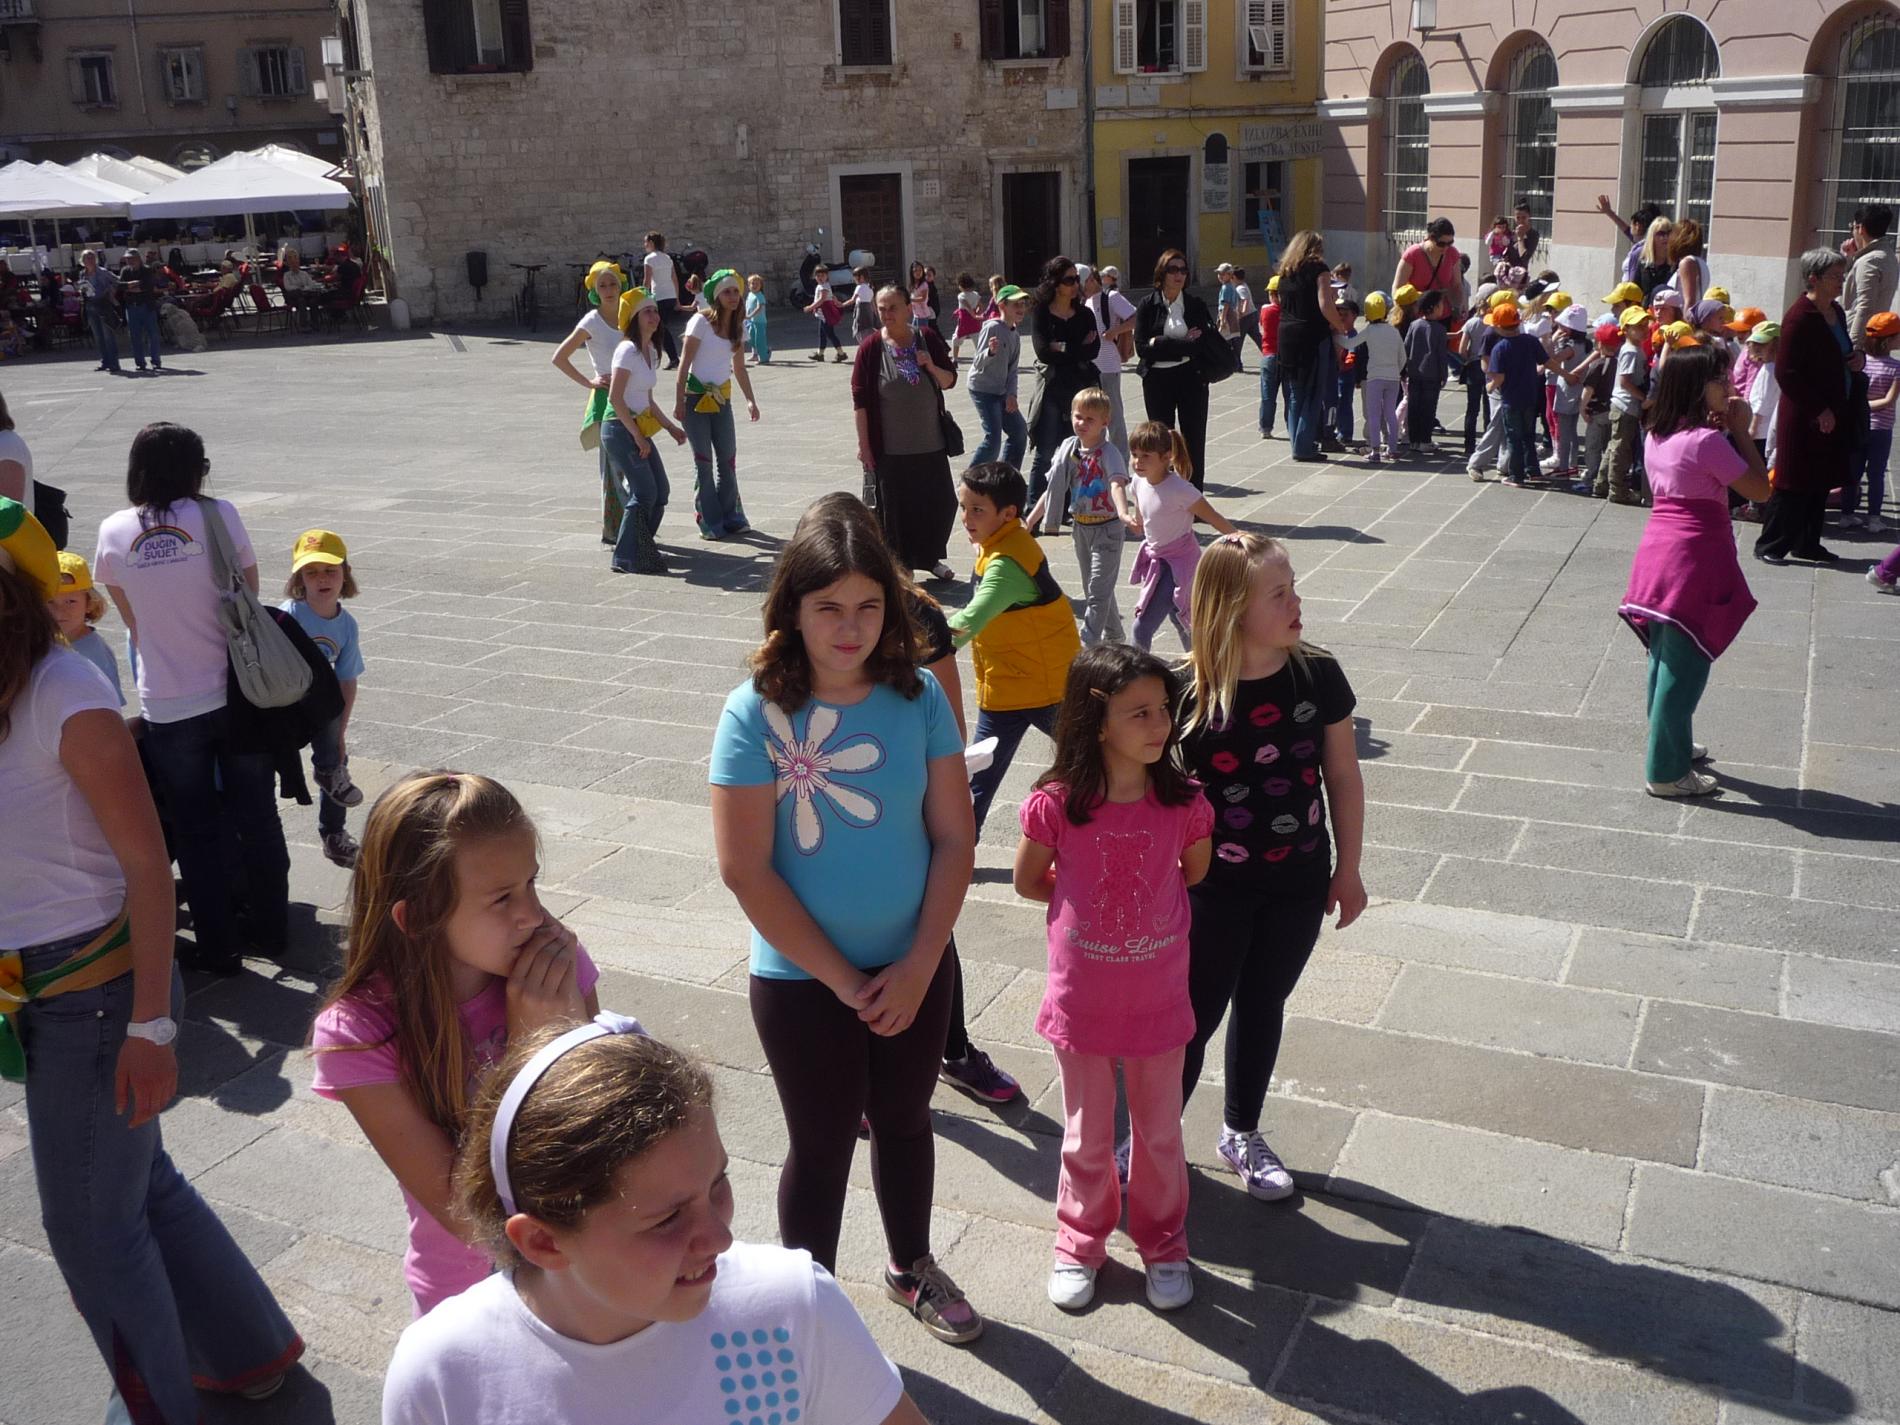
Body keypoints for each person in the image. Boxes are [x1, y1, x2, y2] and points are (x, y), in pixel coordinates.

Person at [1, 498, 307, 1424]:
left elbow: (147, 867)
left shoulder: (64, 695)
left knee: (91, 1228)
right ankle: (248, 1352)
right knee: (139, 1184)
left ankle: (153, 1410)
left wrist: (153, 1026)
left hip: (96, 998)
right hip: (45, 989)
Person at [709, 505, 983, 1346]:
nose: (849, 627)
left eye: (868, 606)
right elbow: (745, 868)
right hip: (802, 979)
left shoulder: (919, 698)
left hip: (914, 963)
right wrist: (843, 979)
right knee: (822, 1143)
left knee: (905, 1118)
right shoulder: (753, 712)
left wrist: (921, 961)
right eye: (828, 607)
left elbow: (954, 836)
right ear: (791, 608)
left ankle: (910, 1264)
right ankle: (809, 1308)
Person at [380, 1019, 932, 1425]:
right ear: (543, 1241)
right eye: (667, 1219)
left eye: (717, 1184)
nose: (721, 1238)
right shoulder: (443, 1373)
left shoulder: (790, 1307)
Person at [312, 772, 602, 1316]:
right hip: (470, 1296)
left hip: (584, 1275)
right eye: (502, 898)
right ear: (418, 917)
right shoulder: (355, 1034)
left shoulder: (553, 966)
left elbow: (602, 1130)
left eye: (531, 883)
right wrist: (529, 1052)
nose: (533, 915)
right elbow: (467, 1216)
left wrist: (571, 1041)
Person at [1164, 532, 1367, 1202]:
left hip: (1298, 880)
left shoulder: (1318, 674)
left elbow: (1343, 776)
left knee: (1262, 1003)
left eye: (1293, 587)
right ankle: (1152, 1134)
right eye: (1278, 594)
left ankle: (1240, 1131)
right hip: (1211, 887)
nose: (1296, 602)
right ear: (1231, 609)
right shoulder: (1183, 691)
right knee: (1192, 1014)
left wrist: (1349, 868)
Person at [1012, 644, 1212, 1314]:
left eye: (1163, 710)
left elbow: (1193, 872)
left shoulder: (1184, 803)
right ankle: (1079, 1241)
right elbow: (1029, 880)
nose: (1160, 725)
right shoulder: (1058, 804)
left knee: (1160, 1133)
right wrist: (1084, 908)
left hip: (1159, 998)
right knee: (1086, 1134)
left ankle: (1164, 1243)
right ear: (1096, 722)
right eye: (1139, 713)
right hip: (1082, 1001)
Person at [93, 424, 289, 975]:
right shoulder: (219, 515)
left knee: (195, 830)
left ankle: (220, 948)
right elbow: (249, 593)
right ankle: (273, 930)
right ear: (195, 469)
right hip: (239, 694)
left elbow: (133, 622)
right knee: (257, 815)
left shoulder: (113, 531)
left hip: (169, 703)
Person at [1619, 347, 1774, 796]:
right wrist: (1742, 431)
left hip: (1658, 552)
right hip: (1695, 557)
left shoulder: (1657, 432)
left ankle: (1673, 743)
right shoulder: (1707, 441)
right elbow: (1760, 491)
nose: (1729, 386)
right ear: (1696, 386)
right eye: (1719, 380)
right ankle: (1666, 771)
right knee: (1685, 667)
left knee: (1664, 657)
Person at [950, 461, 1082, 838]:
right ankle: (959, 850)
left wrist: (916, 649)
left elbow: (970, 620)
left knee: (1098, 759)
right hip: (1008, 684)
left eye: (977, 509)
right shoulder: (999, 542)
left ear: (1008, 513)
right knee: (978, 777)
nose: (966, 518)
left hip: (1046, 687)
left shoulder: (1007, 564)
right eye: (963, 506)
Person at [853, 285, 959, 584]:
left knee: (939, 503)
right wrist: (865, 446)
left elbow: (949, 380)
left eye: (893, 307)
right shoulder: (870, 348)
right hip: (891, 447)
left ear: (909, 309)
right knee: (895, 511)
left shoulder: (927, 338)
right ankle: (902, 565)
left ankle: (930, 557)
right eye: (881, 308)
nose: (887, 314)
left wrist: (931, 366)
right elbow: (860, 403)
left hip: (930, 442)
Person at [1756, 250, 1856, 565]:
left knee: (1820, 479)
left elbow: (1841, 350)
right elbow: (1786, 372)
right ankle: (1771, 544)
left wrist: (1856, 359)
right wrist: (1818, 409)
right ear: (1814, 278)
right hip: (1804, 413)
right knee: (1794, 480)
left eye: (1841, 275)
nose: (1841, 281)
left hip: (1833, 407)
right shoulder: (1799, 317)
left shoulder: (1836, 312)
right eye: (1835, 276)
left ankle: (1807, 543)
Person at [281, 529, 365, 868]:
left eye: (330, 570)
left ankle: (333, 833)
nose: (322, 579)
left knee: (337, 759)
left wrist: (341, 734)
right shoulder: (289, 615)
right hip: (283, 703)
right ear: (299, 580)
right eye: (311, 572)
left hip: (319, 705)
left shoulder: (347, 625)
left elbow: (347, 680)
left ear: (345, 573)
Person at [1025, 388, 1131, 645]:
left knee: (1097, 591)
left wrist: (1123, 512)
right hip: (1081, 529)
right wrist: (1030, 522)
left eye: (1089, 419)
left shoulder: (1109, 453)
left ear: (1105, 422)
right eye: (1078, 416)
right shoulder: (1068, 449)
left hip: (1107, 530)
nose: (1082, 423)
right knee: (1096, 587)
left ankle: (1088, 644)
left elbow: (1117, 484)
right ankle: (1116, 636)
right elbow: (1052, 491)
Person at [1125, 422, 1238, 652]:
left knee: (1142, 627)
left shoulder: (1180, 489)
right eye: (1134, 454)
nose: (1138, 462)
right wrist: (1134, 521)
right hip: (1158, 559)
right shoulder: (1138, 481)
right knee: (1181, 619)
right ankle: (1200, 663)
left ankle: (1135, 670)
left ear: (1166, 457)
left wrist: (1240, 538)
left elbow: (1213, 517)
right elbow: (1141, 515)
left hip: (1178, 565)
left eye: (1146, 456)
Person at [605, 287, 686, 576]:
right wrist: (638, 436)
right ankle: (626, 556)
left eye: (655, 311)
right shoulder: (627, 350)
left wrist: (671, 427)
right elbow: (615, 398)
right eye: (646, 312)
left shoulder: (650, 351)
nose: (654, 316)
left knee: (660, 491)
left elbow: (647, 400)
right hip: (619, 427)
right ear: (634, 318)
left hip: (637, 426)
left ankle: (641, 544)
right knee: (645, 492)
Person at [675, 270, 760, 542]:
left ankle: (731, 515)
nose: (733, 297)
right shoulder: (700, 322)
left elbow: (739, 368)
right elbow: (684, 363)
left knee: (728, 458)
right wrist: (679, 400)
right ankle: (709, 520)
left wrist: (750, 400)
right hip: (695, 398)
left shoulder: (738, 327)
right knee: (703, 461)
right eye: (727, 292)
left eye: (736, 291)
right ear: (716, 295)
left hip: (722, 399)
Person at [552, 261, 632, 544]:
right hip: (607, 399)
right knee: (612, 467)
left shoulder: (629, 314)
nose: (608, 290)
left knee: (634, 465)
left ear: (621, 285)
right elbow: (560, 357)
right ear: (595, 291)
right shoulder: (591, 321)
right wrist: (589, 382)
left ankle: (633, 524)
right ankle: (615, 530)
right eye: (602, 286)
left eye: (612, 284)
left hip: (633, 397)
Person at [1024, 256, 1103, 508]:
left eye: (1077, 279)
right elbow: (1043, 353)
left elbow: (1094, 350)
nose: (1075, 285)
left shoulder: (1084, 313)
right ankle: (1033, 507)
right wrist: (1078, 347)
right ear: (1055, 284)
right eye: (1069, 280)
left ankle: (1068, 506)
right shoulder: (1042, 313)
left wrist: (1062, 347)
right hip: (1053, 389)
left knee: (1075, 451)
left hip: (1080, 391)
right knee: (1046, 451)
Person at [1135, 250, 1218, 483]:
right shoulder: (1147, 305)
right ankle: (1163, 490)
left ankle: (1193, 493)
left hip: (1190, 377)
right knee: (1161, 439)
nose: (1179, 275)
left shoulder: (1194, 305)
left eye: (1183, 270)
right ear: (1162, 273)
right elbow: (1142, 348)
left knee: (1194, 438)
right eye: (1173, 269)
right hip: (1157, 379)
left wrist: (1161, 342)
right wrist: (1181, 343)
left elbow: (1198, 346)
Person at [1276, 232, 1351, 463]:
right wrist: (1339, 326)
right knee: (1312, 393)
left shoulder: (1285, 272)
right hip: (1311, 335)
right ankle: (1304, 446)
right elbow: (1325, 304)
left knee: (1295, 394)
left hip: (1286, 334)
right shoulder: (1319, 269)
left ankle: (1296, 443)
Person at [1843, 311, 1899, 533]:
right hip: (1881, 429)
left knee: (1852, 472)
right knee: (1876, 474)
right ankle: (1874, 518)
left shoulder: (1860, 364)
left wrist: (1861, 406)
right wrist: (1870, 406)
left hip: (1857, 425)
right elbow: (1889, 401)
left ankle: (1847, 514)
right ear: (1889, 340)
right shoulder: (1896, 368)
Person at [1484, 303, 1549, 488]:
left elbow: (1500, 377)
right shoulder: (1530, 341)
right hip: (1530, 396)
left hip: (1511, 400)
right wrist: (1566, 374)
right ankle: (1533, 471)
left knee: (1514, 437)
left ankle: (1516, 475)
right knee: (1529, 435)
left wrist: (1490, 386)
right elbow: (1547, 361)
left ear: (1498, 326)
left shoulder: (1500, 348)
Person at [967, 284, 1030, 470]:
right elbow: (977, 363)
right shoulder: (992, 327)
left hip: (1001, 390)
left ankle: (1006, 475)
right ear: (1002, 306)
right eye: (1016, 304)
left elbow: (1013, 370)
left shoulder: (1015, 335)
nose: (1021, 308)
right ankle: (971, 479)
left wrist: (1012, 394)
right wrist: (990, 352)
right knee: (993, 439)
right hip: (983, 389)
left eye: (1023, 304)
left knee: (1019, 432)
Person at [47, 551, 123, 705]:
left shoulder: (94, 654)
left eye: (71, 601)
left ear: (89, 603)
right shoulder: (43, 643)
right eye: (50, 602)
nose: (59, 612)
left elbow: (109, 706)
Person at [1082, 264, 1138, 455]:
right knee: (1093, 415)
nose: (1081, 289)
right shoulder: (1086, 301)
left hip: (1108, 367)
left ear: (1092, 279)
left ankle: (1121, 459)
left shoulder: (1111, 297)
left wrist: (1116, 331)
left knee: (1113, 415)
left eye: (1083, 284)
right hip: (1091, 367)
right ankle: (1099, 458)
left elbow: (1136, 317)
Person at [1605, 306, 1654, 505]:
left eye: (1645, 325)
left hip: (1628, 406)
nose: (1644, 329)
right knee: (1621, 449)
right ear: (1625, 329)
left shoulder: (1636, 349)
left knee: (1615, 446)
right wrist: (1643, 398)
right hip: (1625, 406)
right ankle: (1616, 490)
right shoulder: (1631, 352)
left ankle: (1602, 484)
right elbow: (1625, 381)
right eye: (1638, 326)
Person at [1547, 304, 1595, 483]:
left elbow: (1551, 359)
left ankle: (1564, 466)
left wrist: (1552, 340)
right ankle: (1572, 464)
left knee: (1564, 430)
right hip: (1577, 389)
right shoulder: (1585, 344)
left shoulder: (1571, 347)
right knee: (1572, 430)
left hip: (1568, 390)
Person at [1577, 317, 1623, 497]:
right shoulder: (1619, 363)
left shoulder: (1597, 365)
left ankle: (1591, 477)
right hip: (1614, 409)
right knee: (1609, 445)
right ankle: (1606, 476)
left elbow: (1588, 390)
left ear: (1600, 344)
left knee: (1593, 446)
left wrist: (1582, 408)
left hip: (1596, 412)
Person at [1391, 217, 1466, 325]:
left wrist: (1460, 305)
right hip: (1416, 317)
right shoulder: (1413, 254)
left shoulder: (1452, 253)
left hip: (1443, 315)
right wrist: (1402, 315)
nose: (1446, 247)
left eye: (1450, 243)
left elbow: (1457, 285)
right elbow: (1397, 287)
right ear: (1431, 238)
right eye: (1441, 244)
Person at [1357, 292, 1403, 463]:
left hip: (1374, 378)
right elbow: (1402, 357)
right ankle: (1393, 449)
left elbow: (1350, 343)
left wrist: (1338, 335)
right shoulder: (1394, 331)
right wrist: (1396, 370)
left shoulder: (1369, 331)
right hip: (1393, 378)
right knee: (1391, 413)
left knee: (1374, 415)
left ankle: (1375, 451)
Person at [1403, 290, 1449, 456]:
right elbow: (1441, 355)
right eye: (1441, 305)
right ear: (1434, 307)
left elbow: (1406, 347)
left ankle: (1414, 440)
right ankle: (1425, 440)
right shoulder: (1439, 329)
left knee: (1414, 407)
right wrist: (1444, 374)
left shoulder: (1414, 325)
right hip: (1432, 375)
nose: (1443, 308)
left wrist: (1404, 369)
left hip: (1414, 373)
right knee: (1428, 408)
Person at [1844, 204, 1898, 346]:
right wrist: (1850, 260)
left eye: (1852, 227)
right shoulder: (1888, 255)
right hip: (1875, 335)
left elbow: (1865, 307)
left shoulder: (1869, 261)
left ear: (1860, 228)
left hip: (1860, 338)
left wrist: (1853, 345)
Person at [116, 249, 165, 374]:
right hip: (131, 307)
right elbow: (119, 285)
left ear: (138, 259)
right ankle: (140, 363)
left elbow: (146, 287)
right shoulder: (125, 271)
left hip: (147, 306)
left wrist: (130, 288)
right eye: (128, 259)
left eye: (132, 258)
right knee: (135, 336)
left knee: (153, 335)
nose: (130, 261)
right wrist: (131, 284)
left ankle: (156, 361)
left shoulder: (147, 270)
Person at [76, 248, 121, 375]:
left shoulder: (103, 272)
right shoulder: (82, 274)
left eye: (92, 257)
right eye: (87, 258)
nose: (89, 260)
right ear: (83, 261)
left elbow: (117, 281)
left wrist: (111, 291)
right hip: (90, 306)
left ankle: (114, 363)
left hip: (103, 305)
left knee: (108, 336)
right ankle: (105, 361)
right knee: (98, 336)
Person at [641, 231, 682, 368]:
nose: (645, 245)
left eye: (646, 242)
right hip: (670, 296)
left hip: (658, 297)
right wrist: (677, 298)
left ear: (651, 243)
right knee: (660, 327)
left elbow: (647, 280)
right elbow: (674, 279)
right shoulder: (667, 258)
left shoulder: (649, 259)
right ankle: (668, 357)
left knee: (660, 328)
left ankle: (672, 358)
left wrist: (642, 297)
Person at [1258, 275, 1290, 439]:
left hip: (1269, 355)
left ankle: (1266, 428)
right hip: (1286, 356)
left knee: (1268, 396)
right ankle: (1291, 426)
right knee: (1289, 396)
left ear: (1272, 294)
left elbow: (1261, 327)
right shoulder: (1289, 312)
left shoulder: (1265, 310)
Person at [804, 262, 848, 363]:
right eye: (818, 275)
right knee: (822, 334)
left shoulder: (824, 286)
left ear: (827, 276)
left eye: (822, 275)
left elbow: (822, 300)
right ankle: (820, 354)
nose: (820, 277)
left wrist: (810, 307)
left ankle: (841, 354)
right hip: (823, 315)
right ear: (815, 276)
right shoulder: (822, 285)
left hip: (826, 315)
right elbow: (829, 297)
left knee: (830, 334)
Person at [1669, 219, 1711, 309]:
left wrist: (1686, 317)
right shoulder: (1700, 262)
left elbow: (1689, 301)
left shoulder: (1687, 263)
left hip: (1682, 316)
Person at [950, 271, 986, 362]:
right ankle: (981, 359)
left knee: (956, 339)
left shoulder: (961, 296)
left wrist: (973, 314)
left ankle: (955, 358)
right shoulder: (976, 295)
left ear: (961, 286)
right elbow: (981, 307)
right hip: (974, 322)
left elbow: (967, 307)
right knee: (978, 341)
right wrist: (977, 315)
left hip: (964, 322)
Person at [743, 273, 770, 366]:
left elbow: (759, 308)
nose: (754, 286)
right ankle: (755, 354)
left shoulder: (760, 295)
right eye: (752, 283)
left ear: (761, 286)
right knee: (750, 338)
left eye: (757, 284)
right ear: (749, 285)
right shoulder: (750, 294)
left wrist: (750, 315)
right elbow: (747, 306)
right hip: (750, 321)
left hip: (759, 322)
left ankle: (764, 357)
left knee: (759, 340)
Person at [1506, 198, 1540, 271]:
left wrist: (1520, 238)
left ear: (1529, 217)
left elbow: (1525, 258)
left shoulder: (1533, 234)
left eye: (1524, 217)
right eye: (1518, 218)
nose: (1521, 221)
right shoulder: (1511, 233)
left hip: (1521, 274)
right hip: (1506, 272)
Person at [849, 266, 878, 345]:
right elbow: (873, 303)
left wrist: (841, 304)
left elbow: (852, 300)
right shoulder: (870, 287)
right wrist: (875, 314)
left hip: (861, 312)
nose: (854, 279)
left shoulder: (859, 287)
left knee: (860, 332)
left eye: (855, 277)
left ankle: (864, 347)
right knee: (869, 332)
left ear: (861, 277)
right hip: (869, 313)